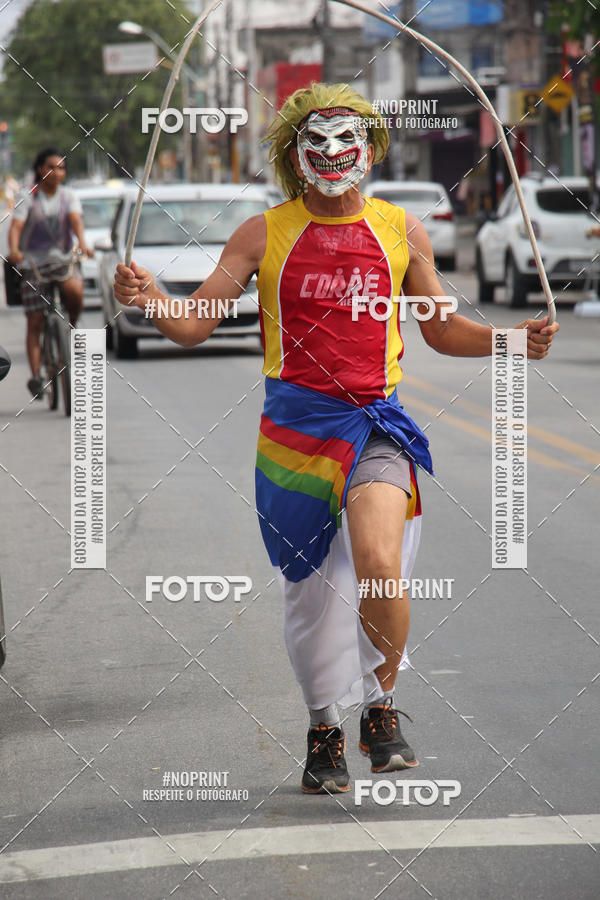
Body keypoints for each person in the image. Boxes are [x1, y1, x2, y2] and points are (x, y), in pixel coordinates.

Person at [114, 83, 559, 794]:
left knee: (380, 560)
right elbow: (196, 322)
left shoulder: (399, 230)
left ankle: (380, 708)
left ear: (371, 148)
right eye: (314, 142)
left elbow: (440, 327)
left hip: (374, 425)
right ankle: (323, 725)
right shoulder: (262, 234)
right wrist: (150, 300)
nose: (331, 153)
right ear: (294, 152)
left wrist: (511, 341)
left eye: (347, 139)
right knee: (313, 595)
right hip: (292, 436)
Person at [7, 148, 93, 399]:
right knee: (35, 321)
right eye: (52, 167)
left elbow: (76, 221)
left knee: (75, 290)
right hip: (32, 264)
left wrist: (83, 242)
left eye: (62, 168)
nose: (57, 173)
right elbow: (16, 227)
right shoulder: (29, 196)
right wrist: (14, 250)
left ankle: (70, 328)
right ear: (40, 170)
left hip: (62, 261)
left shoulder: (69, 196)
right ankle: (36, 376)